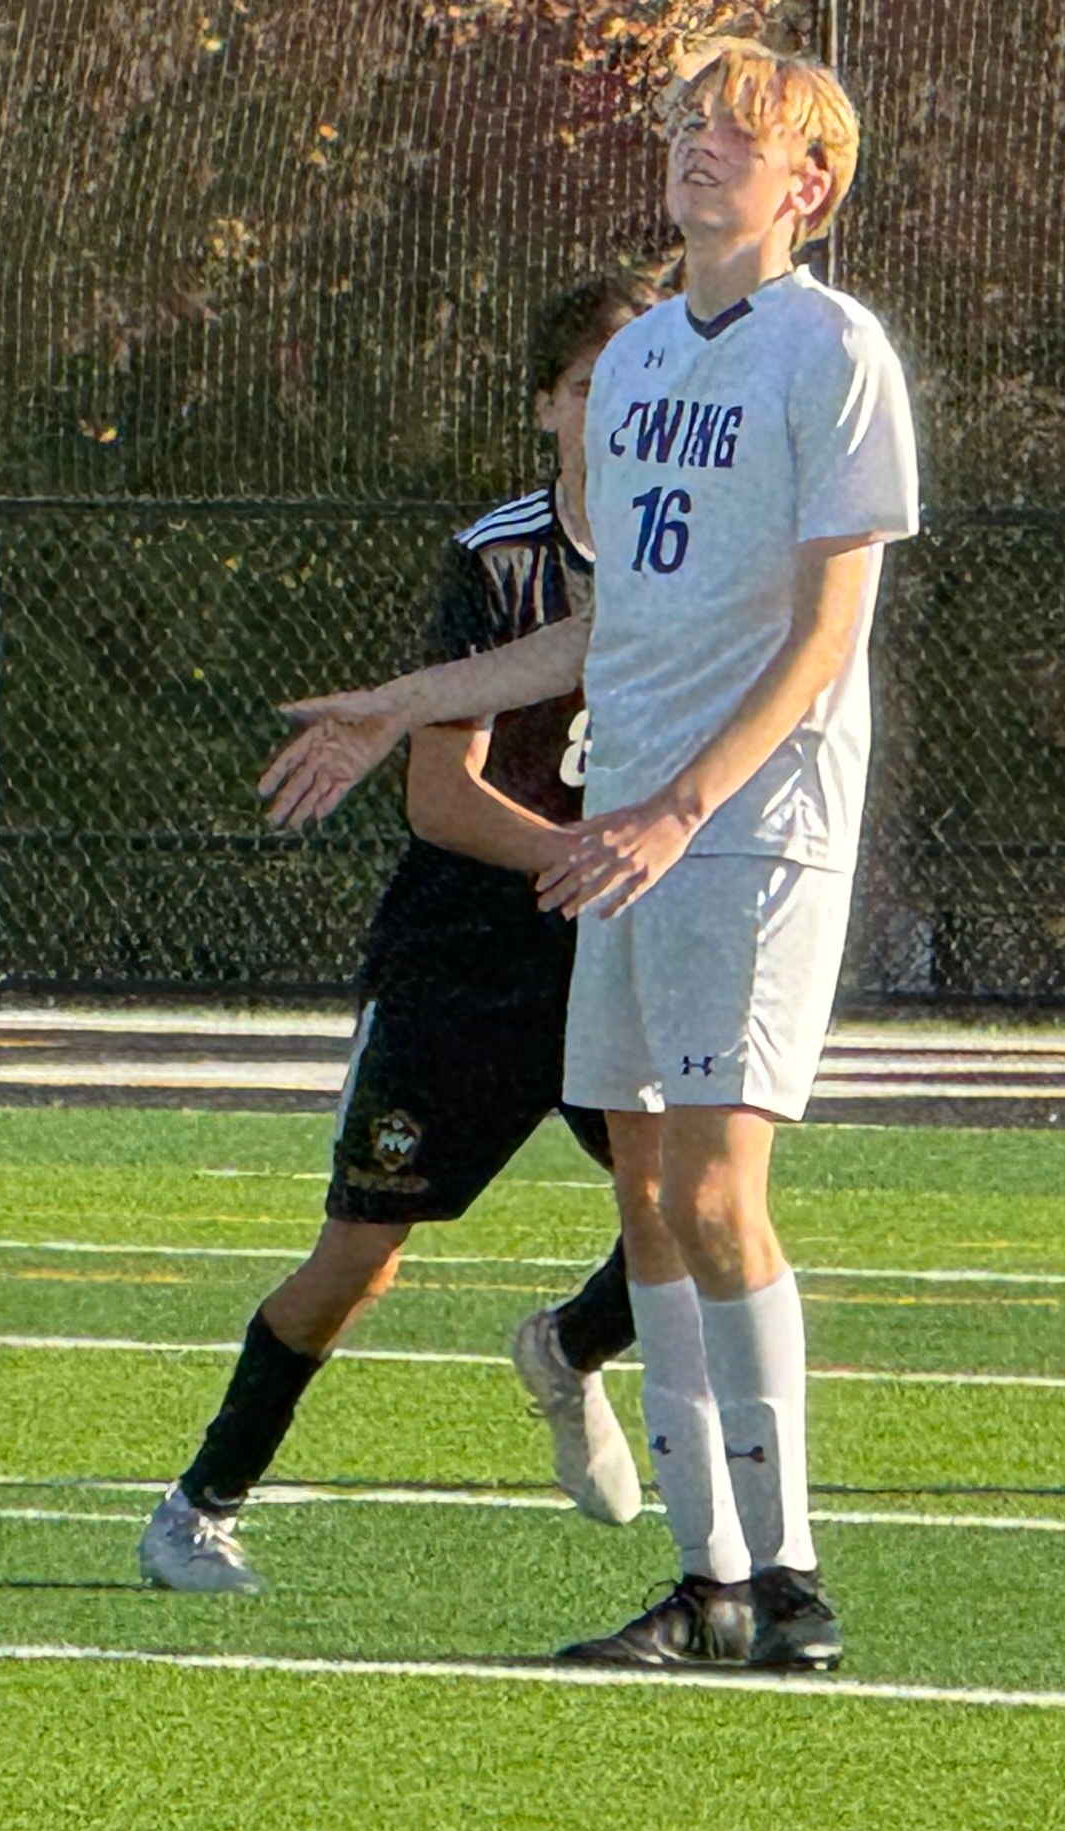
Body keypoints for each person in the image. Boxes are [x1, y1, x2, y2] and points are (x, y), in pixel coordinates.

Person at [267, 39, 916, 1671]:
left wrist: (687, 802)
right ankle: (708, 1584)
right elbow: (605, 621)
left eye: (735, 135)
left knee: (710, 1189)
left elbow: (829, 626)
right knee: (650, 1203)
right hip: (624, 825)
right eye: (687, 126)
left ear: (807, 184)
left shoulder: (832, 351)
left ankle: (791, 1581)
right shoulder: (632, 373)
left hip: (741, 827)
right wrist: (400, 703)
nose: (698, 152)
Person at [139, 272, 664, 1596]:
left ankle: (566, 1352)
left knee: (685, 1217)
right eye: (594, 384)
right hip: (474, 954)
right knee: (358, 1262)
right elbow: (442, 798)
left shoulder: (693, 551)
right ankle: (200, 1502)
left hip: (616, 939)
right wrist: (576, 855)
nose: (618, 410)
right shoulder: (502, 559)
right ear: (550, 403)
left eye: (642, 384)